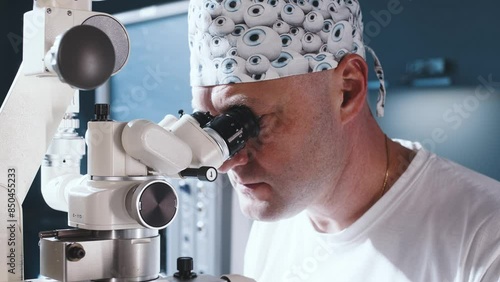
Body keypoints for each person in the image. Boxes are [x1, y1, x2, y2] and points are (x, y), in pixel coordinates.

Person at [187, 0, 500, 281]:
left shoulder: (486, 243)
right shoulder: (274, 225)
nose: (226, 161)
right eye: (212, 126)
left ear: (347, 91)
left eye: (244, 123)